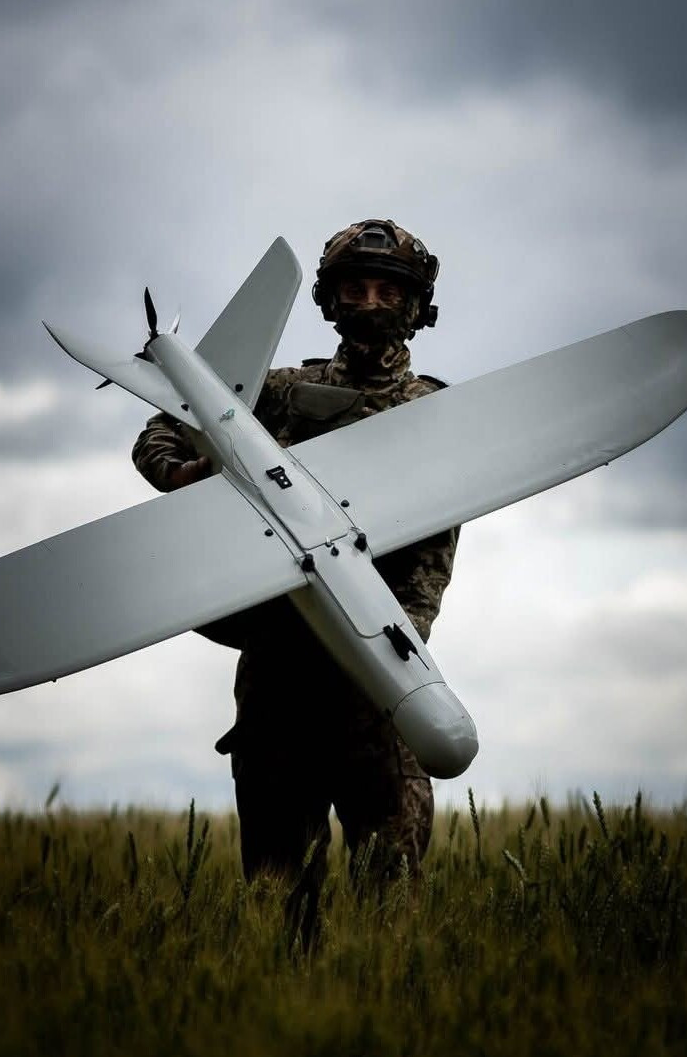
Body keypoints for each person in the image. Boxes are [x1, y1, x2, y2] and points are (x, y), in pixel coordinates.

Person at [130, 219, 459, 939]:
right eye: (355, 288)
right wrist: (186, 474)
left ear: (414, 305)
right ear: (329, 301)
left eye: (386, 290)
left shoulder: (435, 411)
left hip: (378, 679)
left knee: (388, 908)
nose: (370, 302)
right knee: (278, 905)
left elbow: (430, 556)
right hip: (277, 681)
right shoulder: (278, 393)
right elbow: (162, 431)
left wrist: (393, 644)